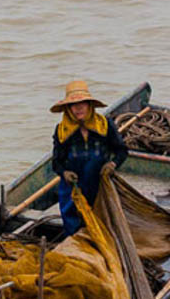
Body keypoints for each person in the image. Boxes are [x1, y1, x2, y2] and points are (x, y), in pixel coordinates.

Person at [50, 79, 128, 235]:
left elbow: (122, 151)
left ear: (90, 105)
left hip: (99, 183)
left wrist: (112, 164)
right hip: (73, 188)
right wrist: (64, 173)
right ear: (68, 108)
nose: (78, 108)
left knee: (103, 225)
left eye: (83, 103)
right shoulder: (62, 130)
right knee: (73, 226)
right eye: (73, 105)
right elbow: (56, 162)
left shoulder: (104, 125)